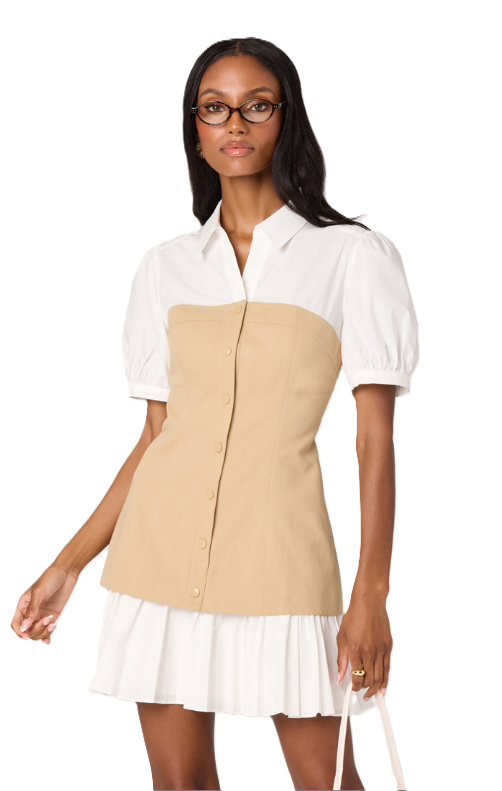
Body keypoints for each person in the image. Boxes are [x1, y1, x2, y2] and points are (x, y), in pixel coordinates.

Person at [10, 36, 418, 791]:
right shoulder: (164, 267)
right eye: (214, 108)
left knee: (328, 781)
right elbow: (157, 436)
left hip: (281, 563)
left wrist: (371, 591)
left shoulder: (350, 258)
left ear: (286, 118)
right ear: (194, 128)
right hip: (157, 562)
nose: (235, 123)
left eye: (257, 105)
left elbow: (373, 438)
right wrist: (66, 565)